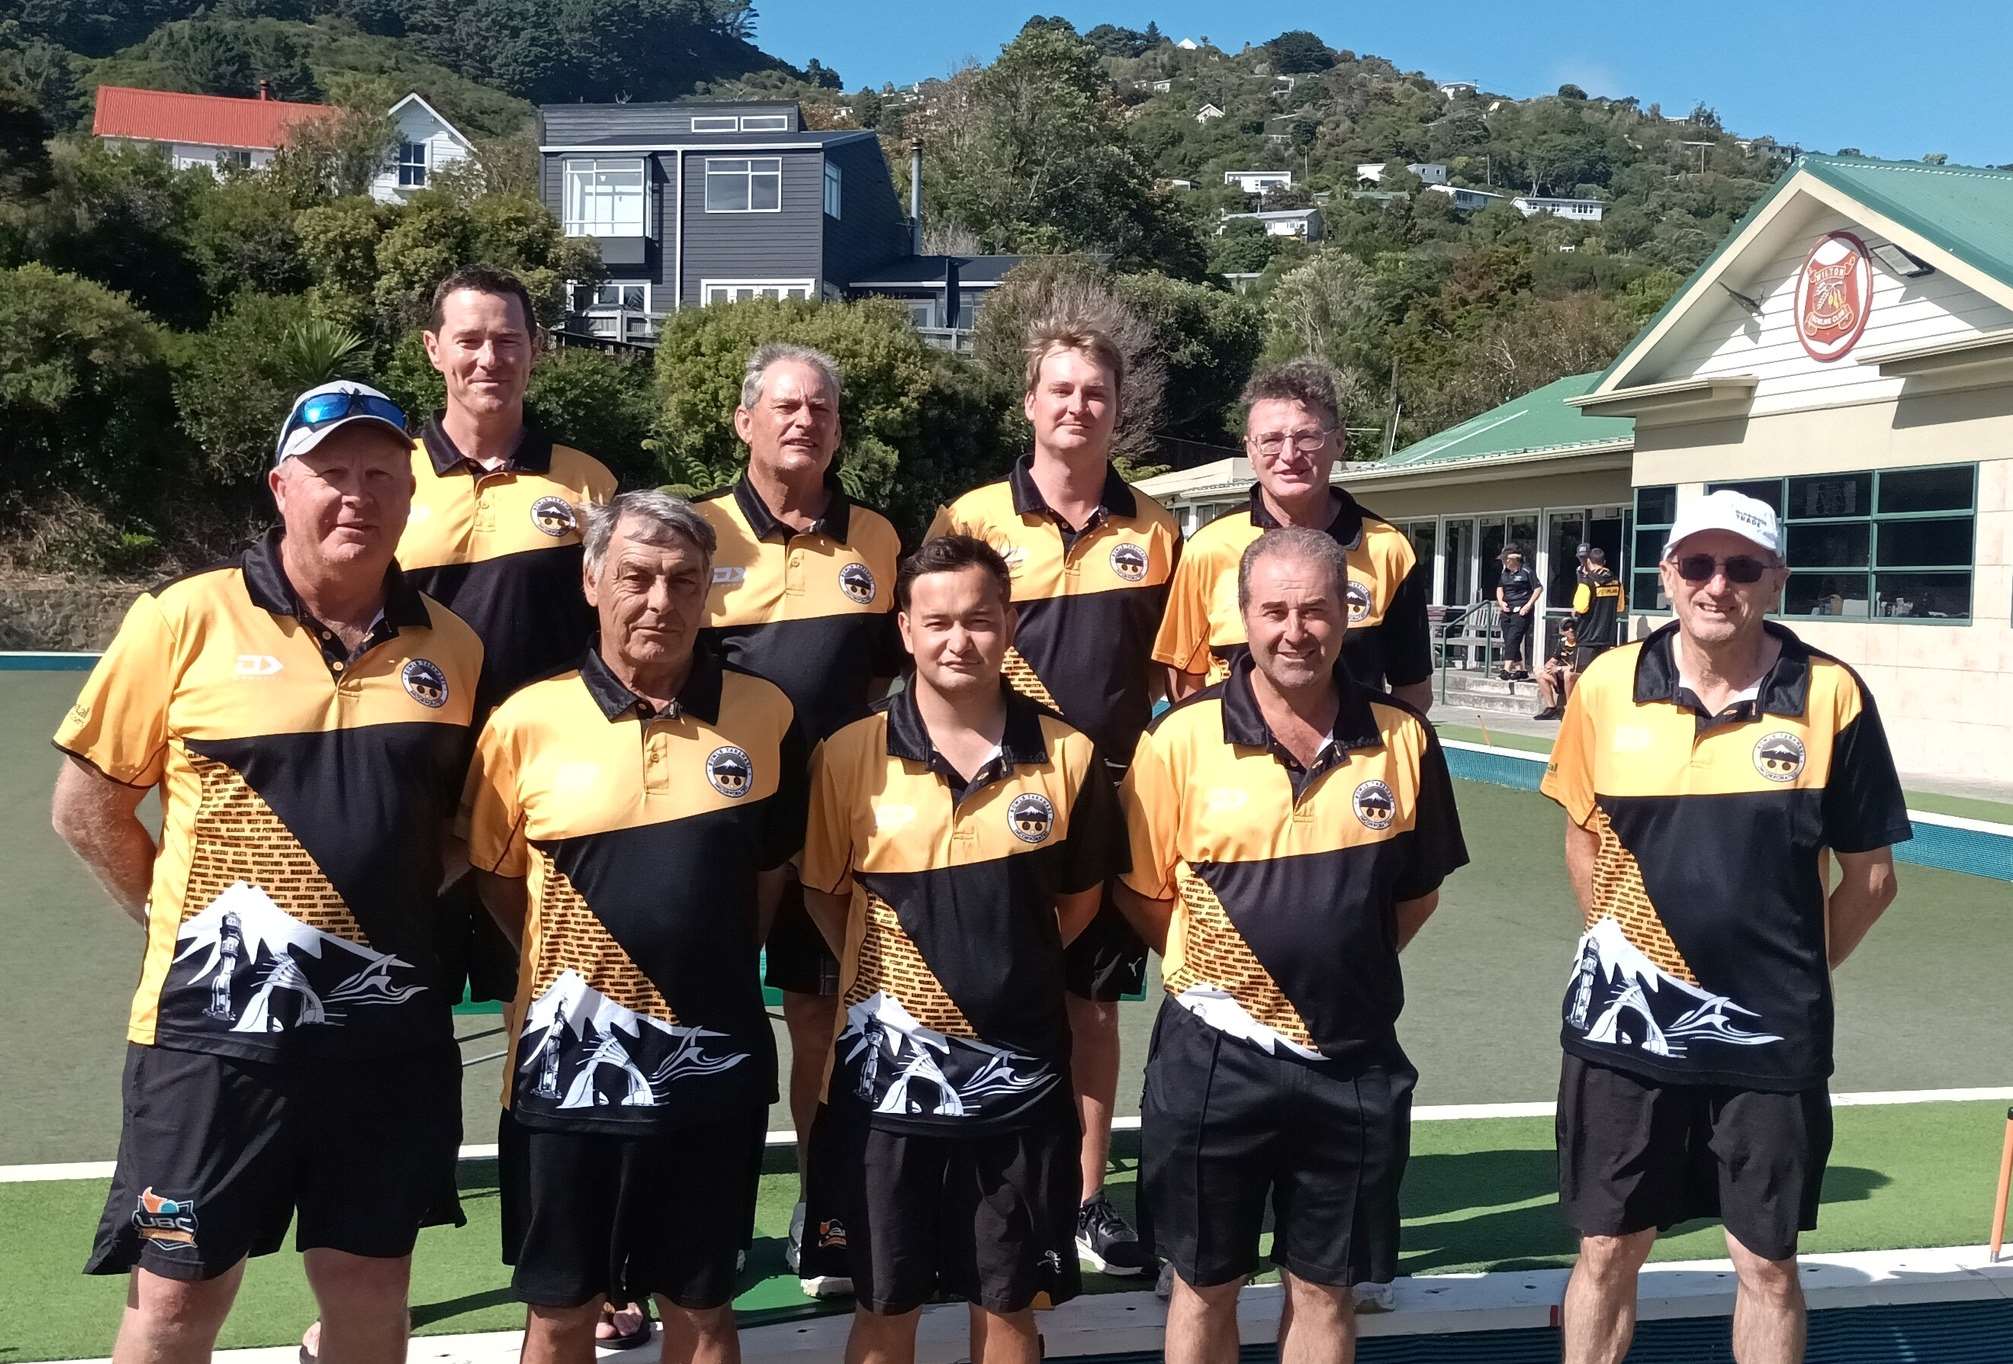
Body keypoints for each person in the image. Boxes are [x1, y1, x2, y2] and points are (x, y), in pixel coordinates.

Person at [51, 382, 482, 1364]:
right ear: (281, 486)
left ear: (410, 491)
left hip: (383, 1038)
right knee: (173, 1299)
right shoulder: (182, 619)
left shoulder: (453, 649)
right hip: (211, 1042)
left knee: (371, 1289)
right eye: (331, 473)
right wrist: (181, 919)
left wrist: (386, 906)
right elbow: (87, 807)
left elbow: (464, 826)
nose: (356, 496)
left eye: (380, 474)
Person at [1540, 490, 1909, 1364]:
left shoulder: (1829, 695)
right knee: (1604, 1251)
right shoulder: (1604, 684)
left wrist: (1783, 981)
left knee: (1768, 1265)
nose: (1717, 585)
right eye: (1697, 565)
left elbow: (1871, 878)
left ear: (1773, 579)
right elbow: (1581, 839)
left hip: (1769, 1042)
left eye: (1741, 567)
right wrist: (1631, 961)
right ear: (1665, 574)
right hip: (1622, 1033)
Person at [463, 491, 807, 1364]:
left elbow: (769, 875)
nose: (660, 601)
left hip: (711, 1071)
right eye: (637, 577)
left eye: (683, 580)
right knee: (561, 1312)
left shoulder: (766, 716)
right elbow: (503, 883)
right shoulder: (523, 723)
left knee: (702, 1308)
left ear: (709, 595)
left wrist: (710, 962)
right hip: (562, 1080)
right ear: (591, 581)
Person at [1117, 527, 1468, 1364]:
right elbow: (1140, 892)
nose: (1294, 629)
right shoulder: (1177, 740)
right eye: (1273, 610)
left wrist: (1335, 975)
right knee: (1204, 1286)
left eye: (1315, 609)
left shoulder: (1403, 740)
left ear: (1347, 614)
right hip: (1210, 1063)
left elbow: (1414, 894)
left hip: (1351, 1058)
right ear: (1240, 618)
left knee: (1326, 1288)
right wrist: (1226, 983)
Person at [798, 535, 1127, 1364]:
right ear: (904, 630)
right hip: (883, 1093)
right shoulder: (846, 758)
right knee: (884, 1306)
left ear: (1009, 624)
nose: (958, 641)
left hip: (1019, 1086)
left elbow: (1075, 906)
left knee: (1010, 1306)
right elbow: (823, 894)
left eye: (979, 620)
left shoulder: (1070, 755)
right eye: (936, 621)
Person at [391, 263, 628, 1349]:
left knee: (562, 1046)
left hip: (551, 819)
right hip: (414, 828)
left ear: (538, 350)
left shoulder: (587, 481)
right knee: (399, 1050)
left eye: (510, 338)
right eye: (469, 338)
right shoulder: (387, 481)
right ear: (435, 350)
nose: (490, 356)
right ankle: (375, 1278)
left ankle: (581, 1272)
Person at [926, 314, 1179, 1277]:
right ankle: (967, 1188)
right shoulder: (970, 516)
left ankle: (1080, 1199)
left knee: (1090, 1010)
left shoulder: (1154, 529)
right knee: (975, 996)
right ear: (1029, 402)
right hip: (987, 798)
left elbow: (1177, 676)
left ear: (1118, 411)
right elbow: (930, 649)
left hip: (1104, 803)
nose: (1077, 407)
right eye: (1060, 390)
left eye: (1095, 393)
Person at [693, 344, 903, 1286]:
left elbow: (897, 687)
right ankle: (703, 1220)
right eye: (784, 406)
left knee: (823, 1024)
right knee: (710, 1022)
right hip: (718, 829)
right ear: (745, 421)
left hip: (835, 830)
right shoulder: (696, 535)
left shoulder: (878, 541)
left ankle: (823, 1214)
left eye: (820, 408)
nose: (802, 422)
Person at [1155, 360, 1434, 713]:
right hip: (1236, 762)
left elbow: (1413, 690)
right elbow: (1184, 680)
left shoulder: (1387, 550)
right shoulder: (1207, 550)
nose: (1289, 455)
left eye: (1307, 437)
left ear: (1339, 440)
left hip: (1351, 763)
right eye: (1270, 440)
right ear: (1250, 449)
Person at [1570, 546, 1626, 673]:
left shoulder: (1586, 582)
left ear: (1589, 561)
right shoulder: (1617, 582)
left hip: (1587, 638)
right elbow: (1620, 607)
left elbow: (1581, 608)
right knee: (1601, 676)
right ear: (1604, 562)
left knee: (1580, 676)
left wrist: (1575, 610)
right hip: (1607, 638)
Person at [1494, 544, 1538, 680]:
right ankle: (1522, 670)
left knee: (1513, 638)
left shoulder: (1526, 571)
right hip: (1507, 611)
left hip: (1521, 611)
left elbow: (1538, 588)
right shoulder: (1505, 573)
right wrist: (1501, 602)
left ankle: (1506, 670)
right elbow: (1500, 588)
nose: (1503, 562)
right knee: (1509, 640)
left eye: (1505, 559)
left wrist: (1528, 605)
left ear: (1512, 559)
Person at [1533, 625, 1577, 720]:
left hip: (1574, 677)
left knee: (1568, 673)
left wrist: (1558, 668)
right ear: (1563, 632)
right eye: (1567, 628)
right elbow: (1554, 659)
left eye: (1573, 627)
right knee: (1539, 673)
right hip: (1560, 677)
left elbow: (1576, 668)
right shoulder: (1561, 643)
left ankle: (1569, 708)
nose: (1571, 630)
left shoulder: (1580, 645)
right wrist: (1548, 666)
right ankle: (1551, 708)